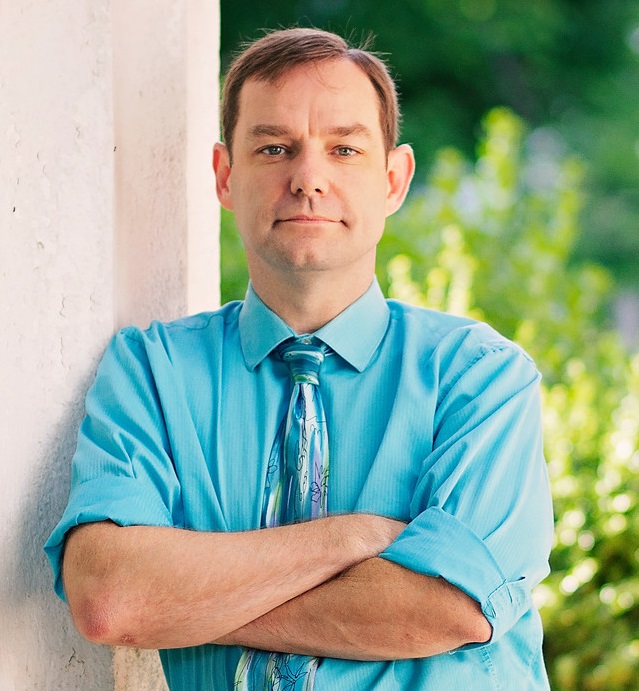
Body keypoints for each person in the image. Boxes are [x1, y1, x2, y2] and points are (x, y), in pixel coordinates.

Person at [45, 27, 554, 690]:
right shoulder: (152, 371)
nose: (308, 178)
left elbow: (443, 606)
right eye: (274, 148)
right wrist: (351, 539)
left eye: (343, 148)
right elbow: (111, 595)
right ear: (226, 175)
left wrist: (183, 604)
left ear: (393, 179)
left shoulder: (481, 378)